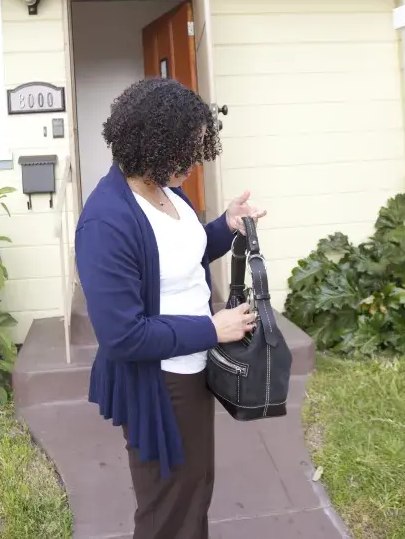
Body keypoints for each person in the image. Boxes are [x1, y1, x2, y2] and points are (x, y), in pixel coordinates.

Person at [75, 77, 266, 539]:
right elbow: (123, 336)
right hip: (160, 383)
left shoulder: (167, 191)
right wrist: (211, 329)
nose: (196, 162)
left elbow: (183, 256)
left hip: (193, 369)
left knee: (194, 487)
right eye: (188, 149)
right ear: (152, 142)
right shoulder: (107, 220)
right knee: (168, 507)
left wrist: (225, 226)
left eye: (201, 147)